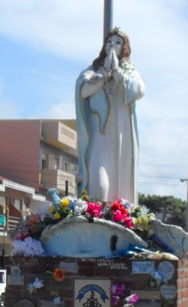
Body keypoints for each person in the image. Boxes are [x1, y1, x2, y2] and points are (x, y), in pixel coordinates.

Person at [75, 28, 145, 204]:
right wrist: (104, 74)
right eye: (109, 42)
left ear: (125, 48)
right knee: (98, 187)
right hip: (100, 139)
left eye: (118, 42)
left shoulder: (129, 71)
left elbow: (139, 90)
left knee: (121, 193)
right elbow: (83, 90)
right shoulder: (93, 70)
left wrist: (118, 74)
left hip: (121, 140)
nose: (112, 45)